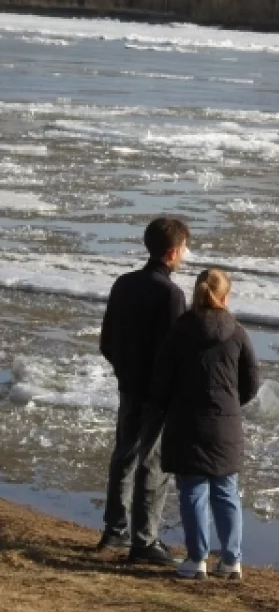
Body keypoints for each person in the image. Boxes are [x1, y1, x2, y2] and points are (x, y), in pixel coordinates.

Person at [155, 268, 260, 581]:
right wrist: (229, 403)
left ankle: (197, 558)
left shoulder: (178, 330)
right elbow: (252, 381)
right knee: (226, 490)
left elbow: (162, 379)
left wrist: (169, 405)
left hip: (186, 420)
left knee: (193, 490)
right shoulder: (238, 331)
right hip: (225, 422)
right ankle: (231, 560)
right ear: (226, 296)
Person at [98, 217, 190, 566]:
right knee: (152, 463)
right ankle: (145, 540)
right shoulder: (170, 294)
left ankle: (115, 529)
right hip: (155, 393)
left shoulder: (124, 283)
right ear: (172, 253)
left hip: (129, 384)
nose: (184, 254)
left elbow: (107, 340)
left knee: (124, 455)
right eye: (183, 248)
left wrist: (124, 369)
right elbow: (173, 352)